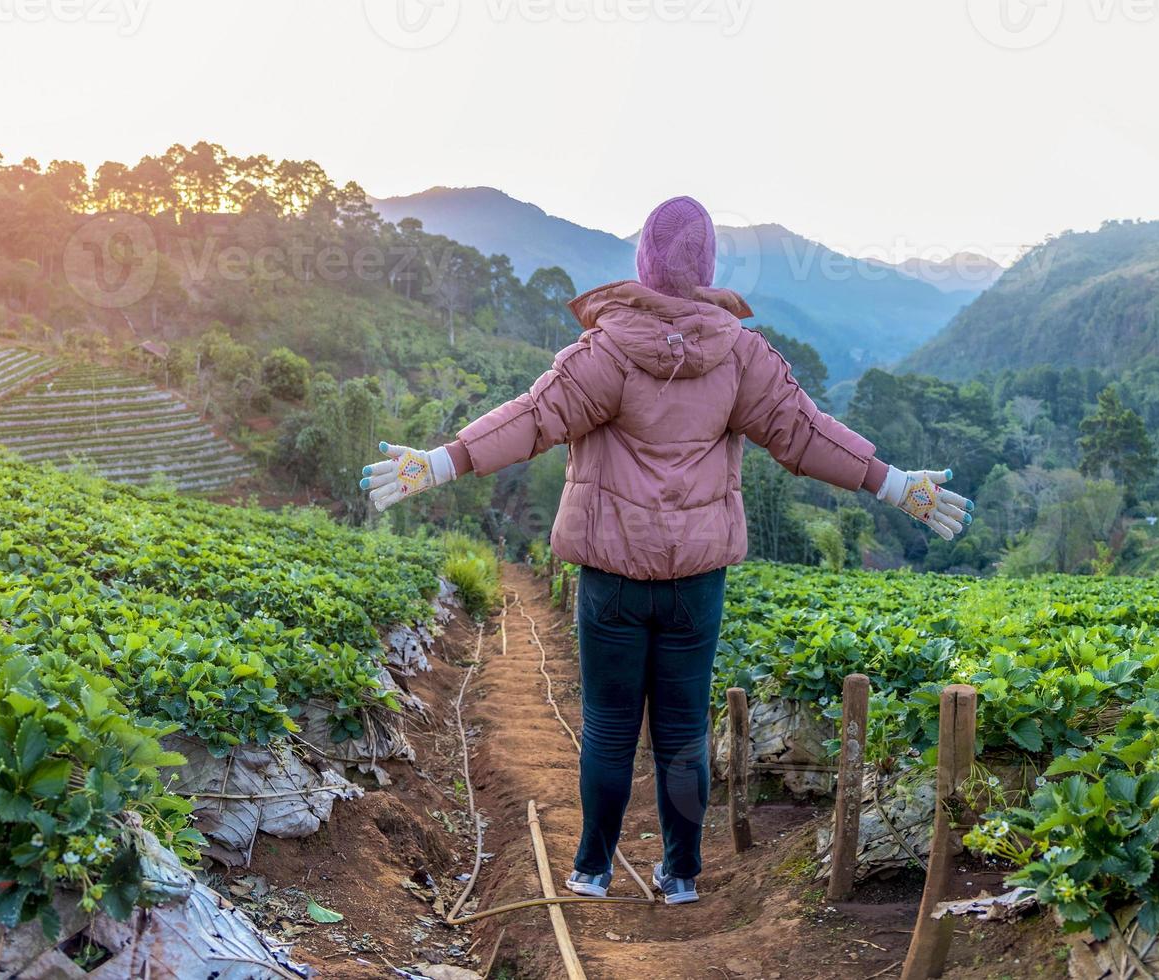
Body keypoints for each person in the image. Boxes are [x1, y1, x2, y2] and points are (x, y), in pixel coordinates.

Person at [358, 195, 970, 905]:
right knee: (680, 732)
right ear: (706, 266)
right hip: (695, 582)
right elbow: (804, 433)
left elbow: (532, 419)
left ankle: (591, 869)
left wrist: (441, 461)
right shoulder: (741, 356)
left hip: (611, 577)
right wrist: (894, 484)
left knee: (610, 728)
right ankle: (679, 874)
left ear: (643, 262)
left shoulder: (607, 351)